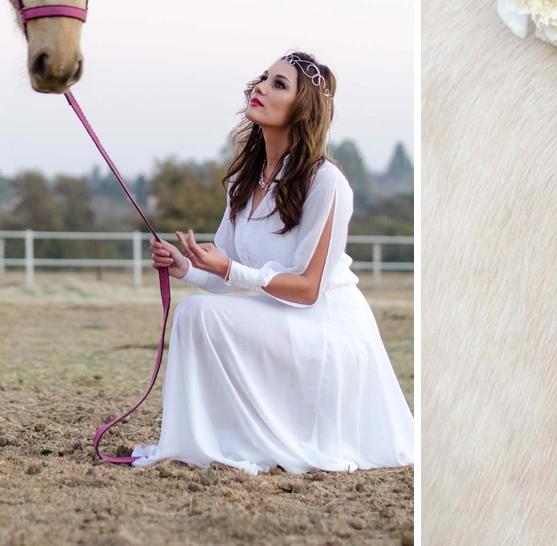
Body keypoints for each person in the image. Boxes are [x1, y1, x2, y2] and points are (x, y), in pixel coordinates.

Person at [133, 51, 414, 474]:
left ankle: (217, 440)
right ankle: (202, 440)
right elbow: (226, 276)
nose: (261, 86)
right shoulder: (244, 183)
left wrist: (227, 268)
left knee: (196, 314)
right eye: (264, 78)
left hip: (327, 324)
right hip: (282, 316)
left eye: (279, 84)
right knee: (195, 311)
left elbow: (307, 289)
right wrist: (186, 268)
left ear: (301, 109)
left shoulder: (326, 182)